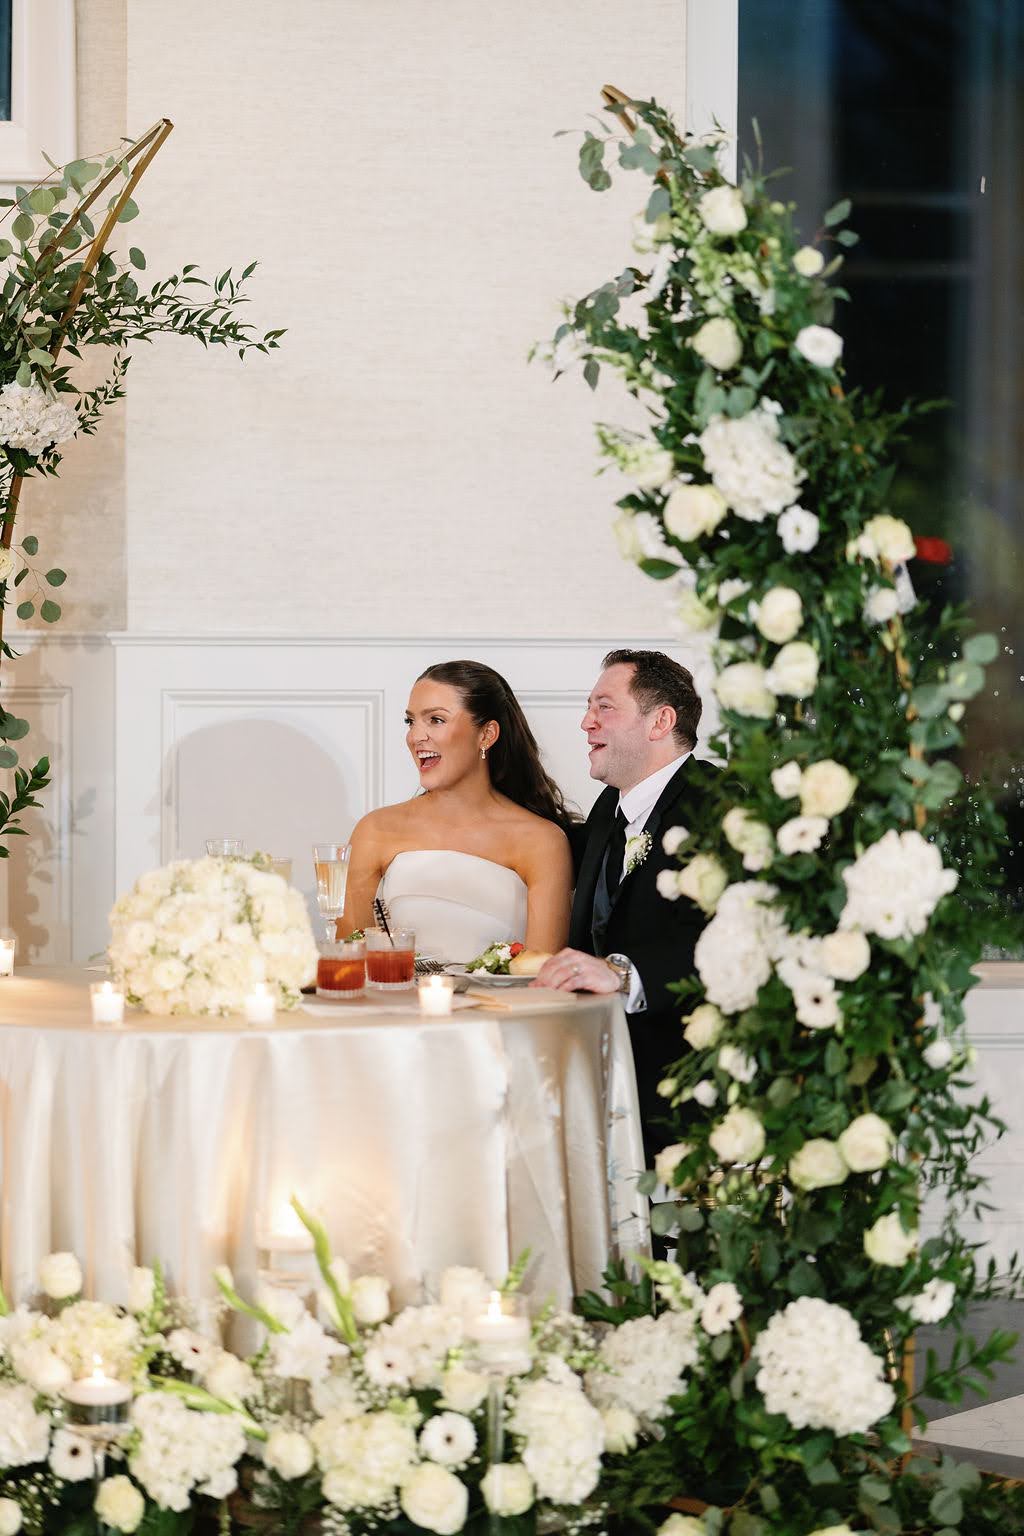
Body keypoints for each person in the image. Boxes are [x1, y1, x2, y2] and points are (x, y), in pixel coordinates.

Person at [532, 649, 717, 1160]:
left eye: (604, 707)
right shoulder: (609, 809)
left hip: (685, 1091)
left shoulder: (719, 804)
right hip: (602, 1083)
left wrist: (624, 974)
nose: (585, 721)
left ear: (661, 721)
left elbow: (736, 937)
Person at [340, 660, 573, 962]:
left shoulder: (542, 841)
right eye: (410, 722)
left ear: (487, 735)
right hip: (398, 1006)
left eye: (436, 720)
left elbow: (543, 973)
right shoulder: (375, 830)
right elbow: (350, 958)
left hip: (505, 1008)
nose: (415, 737)